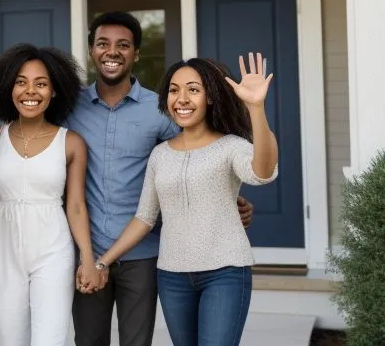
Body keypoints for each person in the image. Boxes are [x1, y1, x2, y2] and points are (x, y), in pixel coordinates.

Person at [65, 12, 254, 346]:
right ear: (91, 50)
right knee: (88, 340)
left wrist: (228, 198)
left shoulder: (162, 109)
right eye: (103, 44)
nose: (112, 52)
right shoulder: (69, 109)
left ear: (136, 54)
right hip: (87, 249)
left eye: (123, 45)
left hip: (144, 254)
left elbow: (199, 153)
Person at [95, 53, 279, 345]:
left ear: (210, 97)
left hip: (225, 272)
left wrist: (255, 107)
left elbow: (263, 171)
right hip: (172, 276)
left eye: (193, 89)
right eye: (174, 90)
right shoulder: (160, 154)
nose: (181, 98)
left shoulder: (231, 146)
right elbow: (144, 217)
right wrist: (103, 262)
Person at [0, 43, 100, 346]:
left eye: (41, 83)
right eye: (21, 82)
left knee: (51, 339)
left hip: (52, 248)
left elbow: (75, 205)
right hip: (2, 247)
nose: (30, 91)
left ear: (54, 91)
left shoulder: (71, 142)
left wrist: (87, 257)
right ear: (8, 88)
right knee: (10, 339)